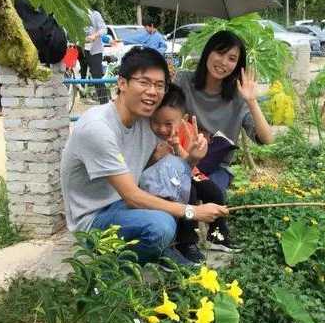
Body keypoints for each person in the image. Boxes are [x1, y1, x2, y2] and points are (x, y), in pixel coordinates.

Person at [61, 46, 228, 267]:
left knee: (175, 166)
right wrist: (193, 211)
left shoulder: (145, 120)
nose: (153, 91)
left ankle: (160, 246)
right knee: (161, 226)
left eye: (159, 85)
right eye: (144, 82)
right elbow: (131, 195)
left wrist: (192, 159)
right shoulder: (98, 128)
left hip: (123, 205)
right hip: (94, 219)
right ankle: (127, 257)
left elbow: (155, 169)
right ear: (122, 83)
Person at [140, 84, 237, 263]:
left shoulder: (187, 129)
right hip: (164, 181)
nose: (162, 128)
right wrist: (155, 157)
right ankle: (187, 242)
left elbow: (189, 162)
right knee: (190, 193)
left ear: (182, 119)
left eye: (168, 124)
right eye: (156, 122)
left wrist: (177, 146)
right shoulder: (148, 136)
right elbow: (141, 170)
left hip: (189, 171)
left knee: (214, 192)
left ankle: (218, 235)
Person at [174, 30, 273, 192]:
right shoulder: (183, 81)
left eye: (232, 59)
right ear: (208, 52)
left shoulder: (238, 97)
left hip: (215, 167)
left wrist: (251, 101)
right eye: (220, 53)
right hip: (181, 158)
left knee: (211, 194)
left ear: (237, 66)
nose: (224, 62)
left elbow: (267, 139)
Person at [81, 7, 109, 103]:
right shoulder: (76, 13)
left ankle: (104, 102)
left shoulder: (94, 14)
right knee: (82, 73)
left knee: (97, 76)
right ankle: (83, 95)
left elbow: (104, 29)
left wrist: (95, 35)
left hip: (95, 50)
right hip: (83, 49)